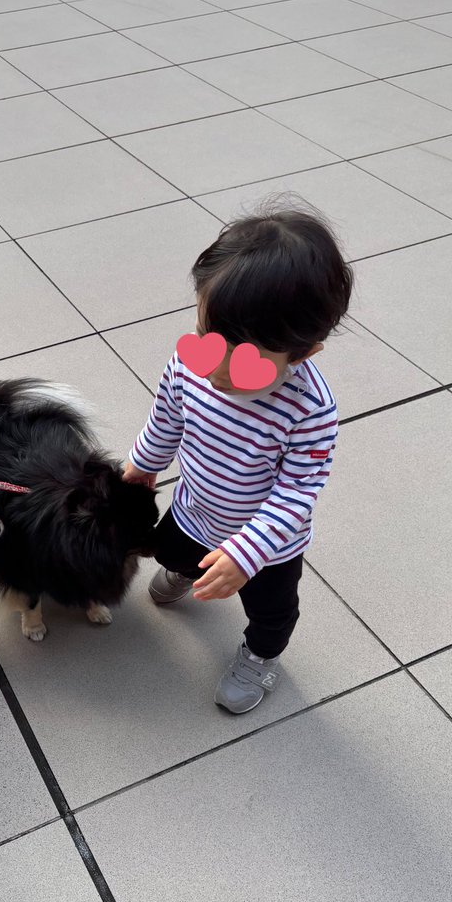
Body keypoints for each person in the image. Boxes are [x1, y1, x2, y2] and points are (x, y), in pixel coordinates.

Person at [124, 206, 352, 714]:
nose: (217, 369)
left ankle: (260, 656)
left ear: (302, 353)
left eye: (245, 356)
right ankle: (188, 572)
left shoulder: (310, 410)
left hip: (267, 546)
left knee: (272, 610)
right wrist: (144, 464)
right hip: (194, 510)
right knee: (171, 552)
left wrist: (246, 554)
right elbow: (167, 416)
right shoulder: (191, 362)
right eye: (208, 335)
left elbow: (297, 492)